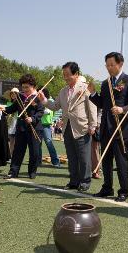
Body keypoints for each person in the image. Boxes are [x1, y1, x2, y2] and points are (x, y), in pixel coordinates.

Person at [88, 52, 128, 202]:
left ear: (120, 64)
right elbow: (102, 104)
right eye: (107, 65)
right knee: (106, 161)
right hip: (105, 128)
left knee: (121, 161)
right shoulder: (105, 83)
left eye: (112, 64)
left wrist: (122, 109)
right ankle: (107, 187)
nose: (109, 67)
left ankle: (124, 191)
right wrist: (92, 93)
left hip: (120, 129)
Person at [38, 63, 97, 191]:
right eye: (64, 75)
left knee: (83, 157)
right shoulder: (63, 91)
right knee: (71, 156)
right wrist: (44, 101)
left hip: (82, 127)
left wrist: (93, 125)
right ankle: (74, 181)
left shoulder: (85, 88)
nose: (65, 77)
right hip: (67, 127)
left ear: (76, 74)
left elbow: (92, 107)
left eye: (67, 75)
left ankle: (85, 182)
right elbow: (55, 106)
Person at [0, 74, 43, 179]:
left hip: (35, 128)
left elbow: (41, 111)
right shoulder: (20, 97)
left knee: (35, 152)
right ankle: (13, 171)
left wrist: (33, 118)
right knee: (18, 150)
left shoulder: (38, 97)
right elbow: (12, 108)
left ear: (33, 86)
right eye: (23, 87)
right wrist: (2, 110)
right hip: (21, 127)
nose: (25, 89)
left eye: (27, 87)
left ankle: (32, 171)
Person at [39, 88, 60, 168]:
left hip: (46, 125)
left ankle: (55, 161)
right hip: (38, 124)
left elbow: (47, 112)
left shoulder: (50, 100)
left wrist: (38, 110)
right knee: (38, 144)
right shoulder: (38, 100)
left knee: (49, 142)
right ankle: (38, 161)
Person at [4, 88, 19, 156]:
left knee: (16, 140)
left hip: (17, 122)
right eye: (12, 94)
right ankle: (8, 154)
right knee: (9, 139)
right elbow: (7, 111)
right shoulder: (9, 103)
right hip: (10, 122)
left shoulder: (20, 103)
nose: (13, 95)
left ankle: (12, 154)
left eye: (15, 93)